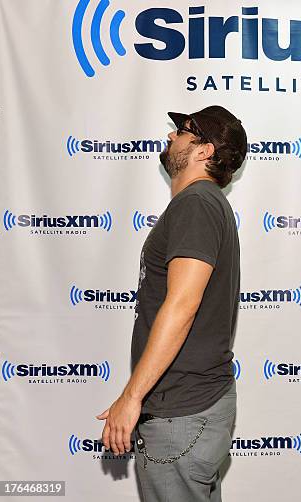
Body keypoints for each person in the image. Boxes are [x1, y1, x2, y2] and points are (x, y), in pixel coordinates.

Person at [97, 105, 246, 502]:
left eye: (181, 131)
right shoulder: (203, 203)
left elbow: (182, 306)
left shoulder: (196, 203)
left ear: (204, 151)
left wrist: (132, 397)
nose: (170, 137)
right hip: (189, 408)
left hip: (182, 410)